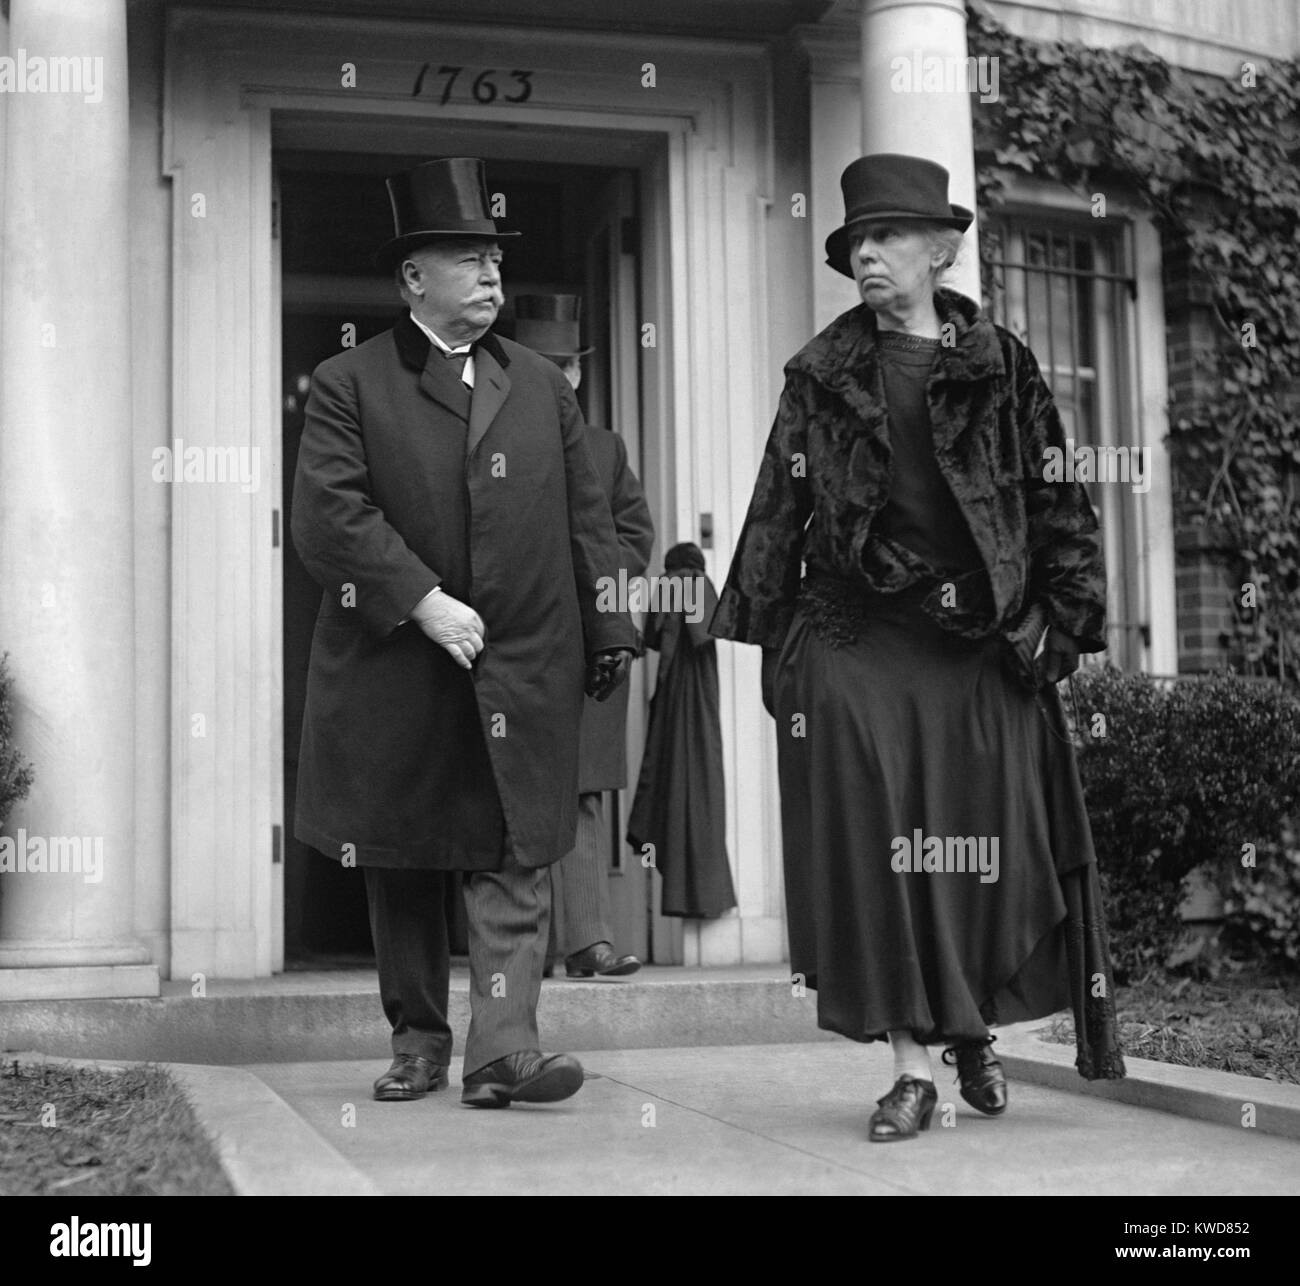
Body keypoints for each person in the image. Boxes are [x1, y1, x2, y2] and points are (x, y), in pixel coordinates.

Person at [711, 153, 1125, 1143]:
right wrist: (782, 650)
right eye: (855, 242)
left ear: (939, 249)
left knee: (984, 847)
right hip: (859, 636)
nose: (866, 256)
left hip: (977, 640)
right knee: (872, 849)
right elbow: (779, 505)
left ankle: (969, 1021)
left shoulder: (1005, 364)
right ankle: (910, 1064)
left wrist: (1056, 625)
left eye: (886, 237)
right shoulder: (820, 373)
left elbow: (1058, 500)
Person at [291, 157, 636, 1109]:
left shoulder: (539, 384)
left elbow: (590, 519)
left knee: (514, 853)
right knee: (400, 860)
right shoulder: (347, 381)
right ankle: (417, 1040)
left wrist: (609, 625)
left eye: (494, 256)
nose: (490, 274)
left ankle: (504, 1049)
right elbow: (327, 517)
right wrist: (425, 601)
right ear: (413, 280)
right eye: (467, 257)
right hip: (395, 662)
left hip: (522, 663)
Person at [512, 293, 654, 979]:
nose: (562, 376)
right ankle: (520, 948)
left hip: (592, 638)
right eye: (547, 364)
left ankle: (587, 942)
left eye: (567, 365)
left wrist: (589, 572)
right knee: (509, 786)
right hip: (515, 640)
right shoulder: (489, 442)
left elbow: (636, 536)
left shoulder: (605, 448)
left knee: (583, 792)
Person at [627, 542, 736, 919]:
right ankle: (703, 893)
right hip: (695, 693)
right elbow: (704, 630)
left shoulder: (675, 582)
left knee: (675, 777)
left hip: (674, 692)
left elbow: (657, 633)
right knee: (699, 779)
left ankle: (688, 890)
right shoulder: (694, 581)